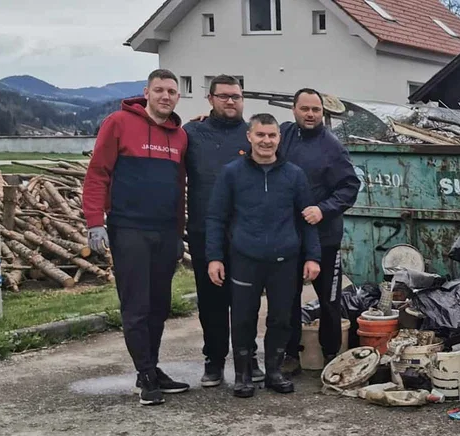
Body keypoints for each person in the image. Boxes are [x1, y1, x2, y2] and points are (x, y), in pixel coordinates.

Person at [83, 69, 190, 406]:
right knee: (137, 306)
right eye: (159, 90)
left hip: (165, 230)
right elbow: (98, 173)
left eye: (171, 91)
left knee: (159, 306)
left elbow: (179, 188)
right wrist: (94, 221)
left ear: (178, 97)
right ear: (146, 92)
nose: (165, 96)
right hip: (129, 229)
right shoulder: (118, 123)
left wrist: (178, 232)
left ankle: (151, 367)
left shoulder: (180, 136)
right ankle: (144, 375)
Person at [205, 113, 322, 398]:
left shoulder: (294, 174)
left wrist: (313, 256)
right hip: (245, 258)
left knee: (281, 318)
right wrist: (214, 257)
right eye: (260, 135)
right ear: (249, 136)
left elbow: (307, 218)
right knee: (243, 318)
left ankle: (274, 371)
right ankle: (243, 374)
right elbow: (216, 217)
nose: (266, 141)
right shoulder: (231, 173)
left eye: (271, 135)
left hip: (285, 260)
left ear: (279, 138)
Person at [182, 74, 263, 388]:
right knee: (211, 301)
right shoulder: (192, 133)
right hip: (204, 231)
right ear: (210, 99)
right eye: (224, 96)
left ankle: (248, 357)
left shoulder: (252, 135)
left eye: (236, 96)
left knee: (246, 301)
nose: (231, 101)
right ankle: (213, 361)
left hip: (246, 233)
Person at [278, 88, 360, 372]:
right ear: (294, 109)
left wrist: (323, 209)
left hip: (325, 238)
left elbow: (350, 187)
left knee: (329, 301)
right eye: (305, 109)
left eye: (316, 109)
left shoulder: (332, 147)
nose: (310, 114)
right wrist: (206, 120)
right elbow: (251, 136)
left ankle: (331, 354)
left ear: (323, 112)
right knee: (287, 299)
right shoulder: (283, 135)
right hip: (288, 237)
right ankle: (290, 354)